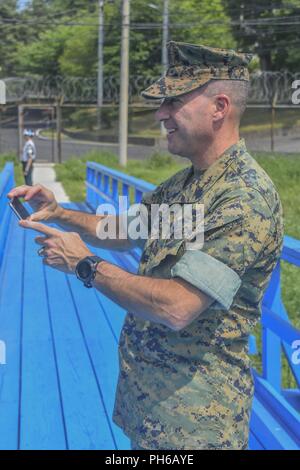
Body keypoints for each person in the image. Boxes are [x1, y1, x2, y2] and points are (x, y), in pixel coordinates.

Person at [7, 42, 283, 450]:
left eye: (174, 102)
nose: (160, 114)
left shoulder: (242, 197)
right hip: (152, 410)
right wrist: (60, 212)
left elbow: (177, 307)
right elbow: (122, 228)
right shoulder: (184, 185)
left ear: (219, 107)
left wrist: (85, 265)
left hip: (197, 425)